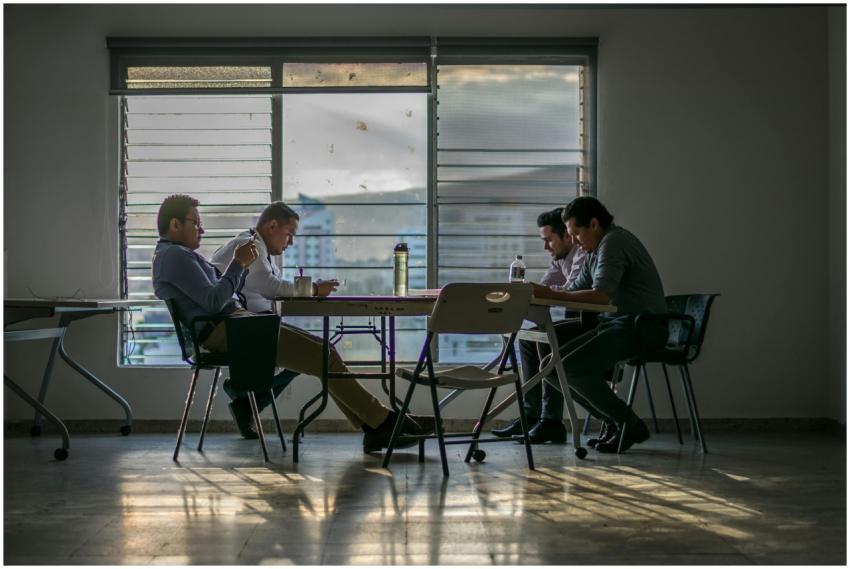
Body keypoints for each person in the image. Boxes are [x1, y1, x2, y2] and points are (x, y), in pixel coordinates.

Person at [152, 195, 433, 453]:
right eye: (195, 223)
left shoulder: (178, 256)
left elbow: (218, 295)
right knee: (323, 355)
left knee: (325, 352)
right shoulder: (175, 256)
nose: (202, 229)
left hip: (237, 326)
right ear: (174, 224)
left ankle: (376, 425)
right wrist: (237, 265)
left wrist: (236, 275)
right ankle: (382, 423)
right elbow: (214, 301)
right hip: (229, 330)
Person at [530, 196, 667, 453]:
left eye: (577, 233)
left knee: (568, 368)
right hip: (616, 324)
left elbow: (600, 294)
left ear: (594, 224)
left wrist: (551, 294)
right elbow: (574, 288)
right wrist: (538, 292)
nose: (575, 241)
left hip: (642, 327)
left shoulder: (614, 242)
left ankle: (628, 423)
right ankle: (616, 422)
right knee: (551, 370)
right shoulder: (594, 250)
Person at [209, 202, 339, 437]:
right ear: (272, 226)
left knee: (314, 351)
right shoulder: (249, 246)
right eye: (289, 234)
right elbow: (270, 288)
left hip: (250, 323)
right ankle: (245, 399)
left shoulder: (254, 246)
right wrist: (315, 289)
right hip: (242, 329)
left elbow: (268, 288)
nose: (290, 242)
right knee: (316, 353)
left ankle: (246, 401)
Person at [492, 207, 589, 444]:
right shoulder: (559, 260)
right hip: (575, 320)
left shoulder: (582, 255)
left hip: (592, 324)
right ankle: (531, 415)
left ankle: (551, 421)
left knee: (548, 341)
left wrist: (542, 291)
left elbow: (572, 289)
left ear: (567, 235)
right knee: (527, 339)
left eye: (549, 240)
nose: (546, 247)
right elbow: (544, 289)